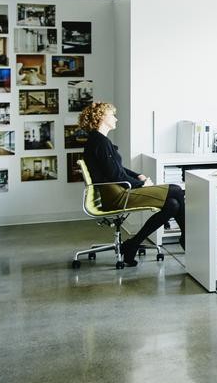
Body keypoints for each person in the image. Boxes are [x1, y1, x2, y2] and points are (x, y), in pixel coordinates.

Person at [79, 101, 186, 266]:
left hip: (115, 191)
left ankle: (133, 244)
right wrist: (141, 185)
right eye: (112, 115)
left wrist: (139, 176)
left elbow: (117, 169)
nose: (115, 118)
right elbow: (116, 175)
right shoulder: (100, 142)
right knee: (177, 190)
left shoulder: (98, 140)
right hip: (118, 195)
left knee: (172, 204)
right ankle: (187, 237)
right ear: (101, 117)